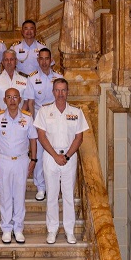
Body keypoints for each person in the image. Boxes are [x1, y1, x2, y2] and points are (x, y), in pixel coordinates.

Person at [34, 78, 89, 245]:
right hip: (50, 157)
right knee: (51, 195)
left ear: (68, 91)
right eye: (57, 90)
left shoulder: (76, 112)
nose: (60, 94)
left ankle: (69, 230)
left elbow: (79, 138)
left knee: (68, 195)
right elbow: (41, 137)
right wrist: (55, 156)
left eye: (63, 90)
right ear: (52, 92)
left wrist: (65, 156)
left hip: (69, 158)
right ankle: (52, 230)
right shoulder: (44, 111)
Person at [0, 88, 37, 244]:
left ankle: (18, 229)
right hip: (2, 161)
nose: (12, 100)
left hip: (21, 160)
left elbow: (33, 139)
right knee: (5, 196)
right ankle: (6, 229)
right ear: (4, 100)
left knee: (19, 195)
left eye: (15, 97)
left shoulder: (27, 118)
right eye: (9, 97)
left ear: (20, 99)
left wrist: (34, 160)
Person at [25, 47, 62, 201]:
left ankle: (54, 187)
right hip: (40, 120)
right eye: (42, 59)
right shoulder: (32, 79)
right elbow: (31, 103)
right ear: (38, 60)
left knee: (55, 153)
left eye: (47, 58)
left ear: (51, 59)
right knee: (39, 155)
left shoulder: (59, 77)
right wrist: (34, 123)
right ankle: (41, 187)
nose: (45, 62)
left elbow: (61, 100)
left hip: (55, 121)